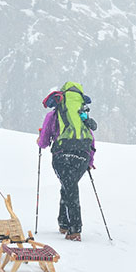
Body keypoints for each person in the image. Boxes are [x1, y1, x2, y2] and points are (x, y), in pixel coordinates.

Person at [37, 81, 97, 241]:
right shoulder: (82, 115)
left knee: (69, 187)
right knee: (69, 186)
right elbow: (91, 139)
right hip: (82, 156)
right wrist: (89, 161)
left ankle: (75, 229)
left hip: (62, 154)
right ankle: (64, 223)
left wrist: (40, 140)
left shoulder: (55, 114)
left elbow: (43, 141)